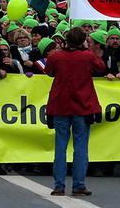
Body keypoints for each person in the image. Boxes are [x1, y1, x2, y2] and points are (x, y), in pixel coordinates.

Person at [44, 28, 105, 197]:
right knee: (80, 147)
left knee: (60, 147)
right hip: (82, 106)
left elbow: (49, 72)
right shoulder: (87, 56)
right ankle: (79, 184)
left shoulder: (56, 56)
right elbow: (101, 67)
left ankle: (59, 185)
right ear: (83, 41)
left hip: (60, 106)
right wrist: (87, 50)